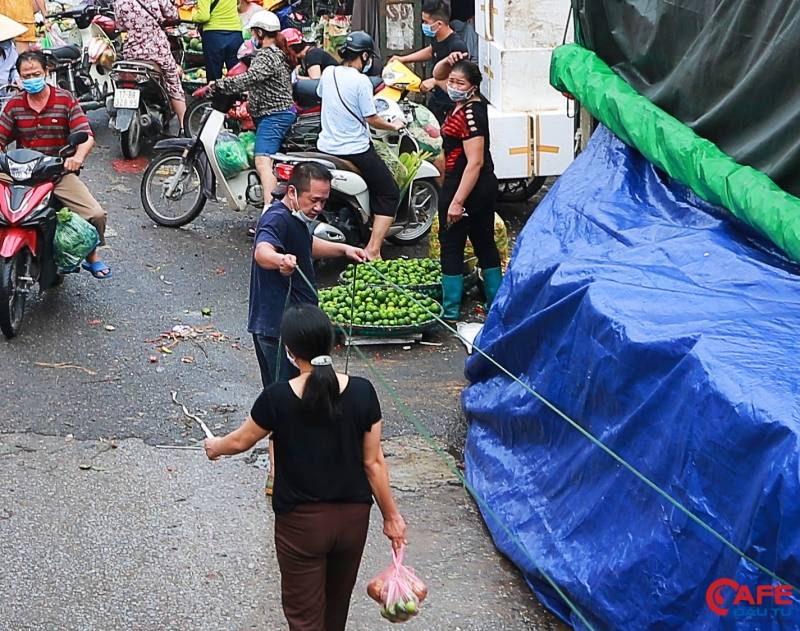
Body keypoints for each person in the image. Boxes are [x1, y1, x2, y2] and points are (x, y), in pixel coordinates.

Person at [204, 303, 407, 631]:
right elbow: (373, 463)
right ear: (330, 343)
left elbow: (240, 442)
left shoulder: (277, 397)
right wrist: (392, 518)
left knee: (305, 619)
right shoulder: (363, 392)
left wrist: (214, 447)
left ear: (289, 351)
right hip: (353, 521)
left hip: (301, 526)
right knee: (335, 609)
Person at [249, 161, 366, 494]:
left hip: (300, 326)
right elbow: (263, 251)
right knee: (283, 401)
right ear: (292, 193)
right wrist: (280, 261)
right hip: (277, 330)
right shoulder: (276, 217)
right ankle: (278, 474)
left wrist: (343, 248)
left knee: (307, 397)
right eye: (314, 200)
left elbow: (306, 247)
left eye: (324, 201)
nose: (319, 207)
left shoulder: (298, 219)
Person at [0, 51, 111, 278]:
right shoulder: (14, 105)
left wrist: (77, 158)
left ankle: (92, 255)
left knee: (96, 214)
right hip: (21, 174)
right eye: (26, 75)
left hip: (57, 172)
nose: (31, 79)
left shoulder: (64, 99)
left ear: (46, 72)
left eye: (36, 74)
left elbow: (86, 136)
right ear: (19, 77)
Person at [316, 31, 405, 261]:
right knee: (388, 192)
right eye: (369, 57)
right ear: (364, 55)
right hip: (353, 149)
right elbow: (371, 118)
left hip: (326, 146)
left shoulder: (328, 73)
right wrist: (393, 126)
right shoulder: (361, 81)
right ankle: (373, 250)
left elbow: (321, 96)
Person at [431, 52, 501, 320]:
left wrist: (457, 202)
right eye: (453, 81)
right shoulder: (461, 105)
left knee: (452, 242)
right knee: (484, 240)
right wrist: (448, 62)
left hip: (468, 184)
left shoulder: (471, 115)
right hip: (475, 184)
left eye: (460, 83)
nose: (453, 86)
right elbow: (438, 75)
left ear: (474, 86)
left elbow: (475, 162)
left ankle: (450, 310)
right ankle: (495, 303)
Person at [213, 11, 296, 206]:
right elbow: (264, 83)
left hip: (274, 116)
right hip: (275, 114)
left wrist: (219, 85)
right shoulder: (277, 53)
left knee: (262, 162)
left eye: (253, 33)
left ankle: (269, 212)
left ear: (260, 32)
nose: (252, 37)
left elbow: (249, 78)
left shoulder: (266, 55)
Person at [389, 0, 469, 125]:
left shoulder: (457, 46)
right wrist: (403, 59)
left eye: (426, 22)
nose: (423, 25)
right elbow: (431, 51)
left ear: (439, 24)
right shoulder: (438, 39)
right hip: (437, 100)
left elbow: (461, 79)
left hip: (449, 105)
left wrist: (434, 81)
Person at [115, 0, 186, 134]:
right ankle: (184, 126)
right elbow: (173, 14)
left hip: (132, 50)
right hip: (156, 48)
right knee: (173, 80)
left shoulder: (119, 1)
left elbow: (120, 25)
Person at [194, 0, 244, 81]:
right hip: (235, 32)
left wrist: (194, 17)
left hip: (214, 34)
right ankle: (236, 93)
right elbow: (238, 3)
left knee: (214, 75)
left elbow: (204, 16)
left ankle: (216, 93)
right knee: (236, 73)